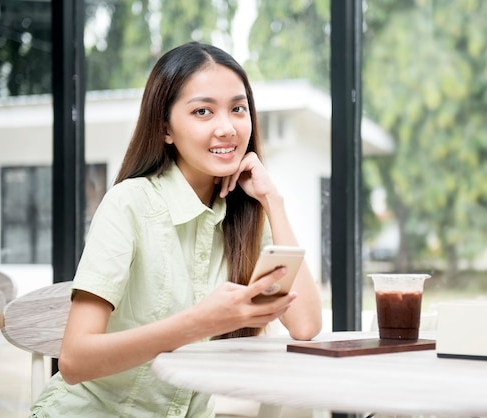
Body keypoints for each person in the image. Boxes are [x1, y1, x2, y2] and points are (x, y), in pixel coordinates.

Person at [30, 41, 323, 417]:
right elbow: (74, 360)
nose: (226, 128)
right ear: (166, 127)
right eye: (203, 111)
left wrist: (273, 202)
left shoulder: (244, 215)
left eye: (238, 109)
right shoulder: (129, 204)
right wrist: (199, 322)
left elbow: (305, 324)